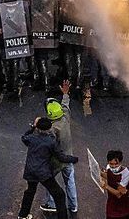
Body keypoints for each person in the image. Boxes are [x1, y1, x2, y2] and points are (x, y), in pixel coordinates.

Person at [18, 117, 77, 219]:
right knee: (59, 195)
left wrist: (33, 127)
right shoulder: (51, 142)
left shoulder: (32, 138)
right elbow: (61, 157)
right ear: (49, 128)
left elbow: (24, 137)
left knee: (30, 191)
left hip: (31, 171)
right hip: (43, 173)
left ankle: (23, 215)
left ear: (38, 128)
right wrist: (73, 159)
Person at [40, 81, 78, 216]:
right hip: (69, 157)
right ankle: (73, 206)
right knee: (70, 182)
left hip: (56, 161)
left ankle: (50, 204)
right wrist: (65, 93)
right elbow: (65, 105)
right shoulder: (65, 117)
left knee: (50, 182)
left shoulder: (50, 129)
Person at [100, 150, 129, 219]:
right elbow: (108, 176)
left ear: (120, 162)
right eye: (111, 164)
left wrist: (106, 186)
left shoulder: (126, 174)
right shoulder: (109, 168)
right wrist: (99, 173)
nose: (114, 166)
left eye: (116, 164)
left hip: (123, 207)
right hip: (112, 205)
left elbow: (119, 194)